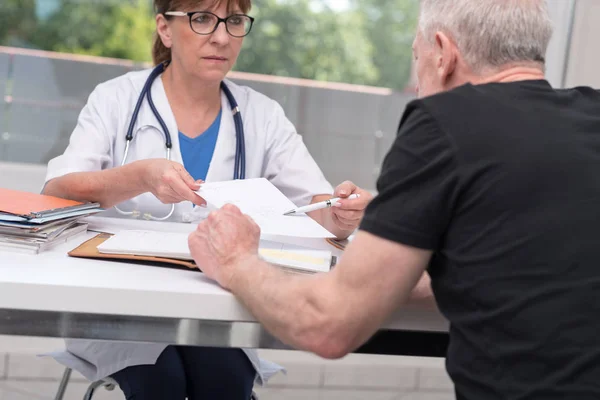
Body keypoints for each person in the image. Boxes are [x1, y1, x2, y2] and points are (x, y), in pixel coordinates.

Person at [188, 0, 600, 399]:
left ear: (443, 53)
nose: (417, 82)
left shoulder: (445, 122)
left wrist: (236, 260)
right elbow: (522, 259)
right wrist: (409, 226)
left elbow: (327, 324)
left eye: (415, 56)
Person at [42, 0, 372, 398]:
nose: (221, 36)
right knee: (161, 385)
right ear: (165, 29)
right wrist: (139, 176)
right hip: (123, 303)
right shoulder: (116, 99)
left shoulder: (260, 115)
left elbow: (316, 204)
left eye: (233, 21)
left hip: (214, 304)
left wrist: (341, 214)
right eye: (201, 19)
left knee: (225, 384)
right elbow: (56, 192)